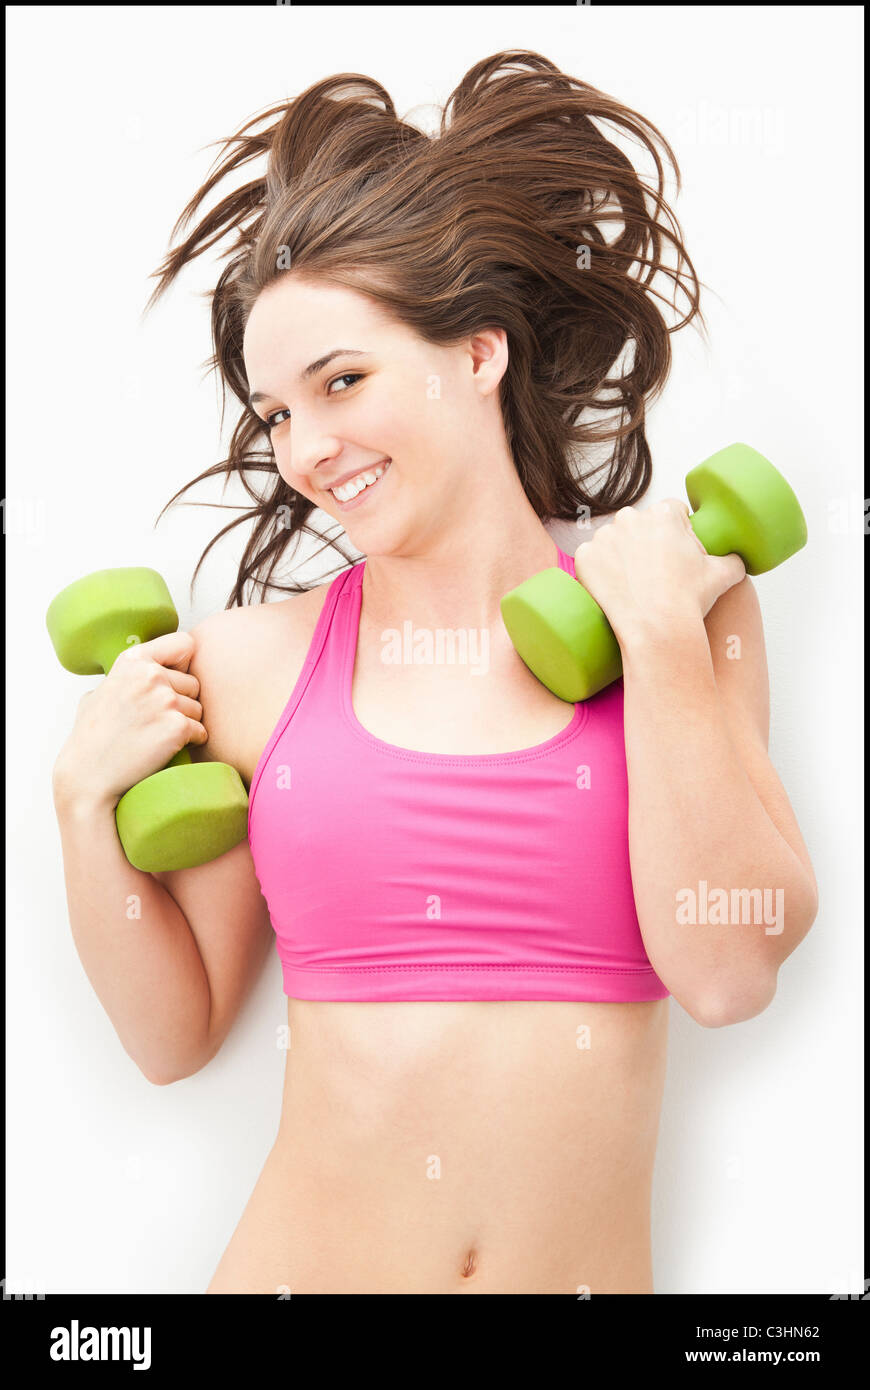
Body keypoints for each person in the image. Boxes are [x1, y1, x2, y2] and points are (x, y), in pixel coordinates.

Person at [51, 50, 818, 1294]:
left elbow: (727, 973)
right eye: (278, 414)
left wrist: (663, 641)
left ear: (478, 354)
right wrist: (84, 808)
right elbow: (170, 1037)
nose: (306, 450)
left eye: (340, 381)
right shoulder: (254, 664)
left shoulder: (685, 614)